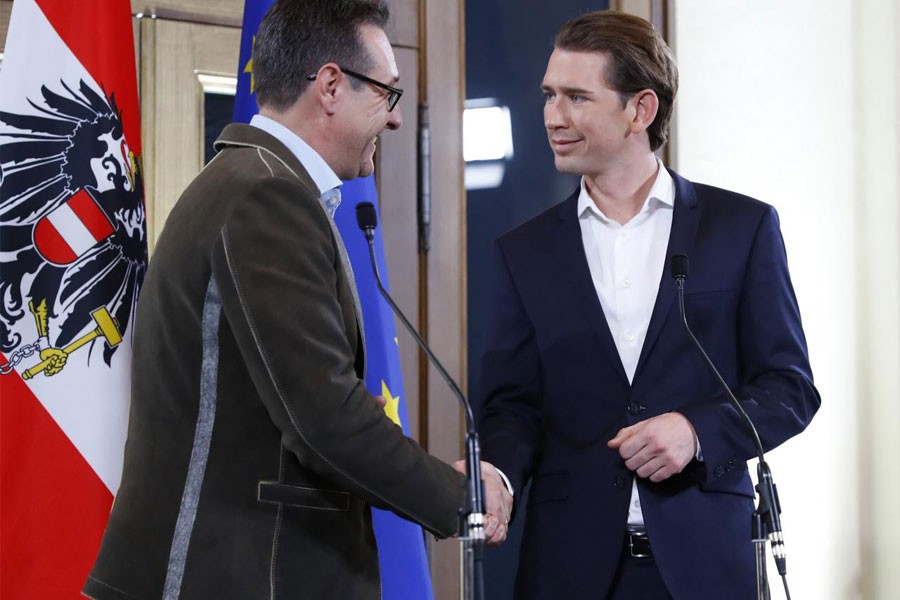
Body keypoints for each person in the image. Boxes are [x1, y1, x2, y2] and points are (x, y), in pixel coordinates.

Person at [83, 1, 509, 598]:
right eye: (387, 93)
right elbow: (323, 419)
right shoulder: (268, 198)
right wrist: (460, 497)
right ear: (331, 86)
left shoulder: (247, 182)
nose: (394, 119)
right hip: (229, 578)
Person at [476, 10, 820, 600]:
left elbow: (790, 388)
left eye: (577, 97)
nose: (553, 117)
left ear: (640, 110)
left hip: (708, 566)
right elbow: (511, 407)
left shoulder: (742, 228)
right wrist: (498, 476)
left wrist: (696, 430)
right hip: (568, 569)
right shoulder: (522, 252)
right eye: (549, 96)